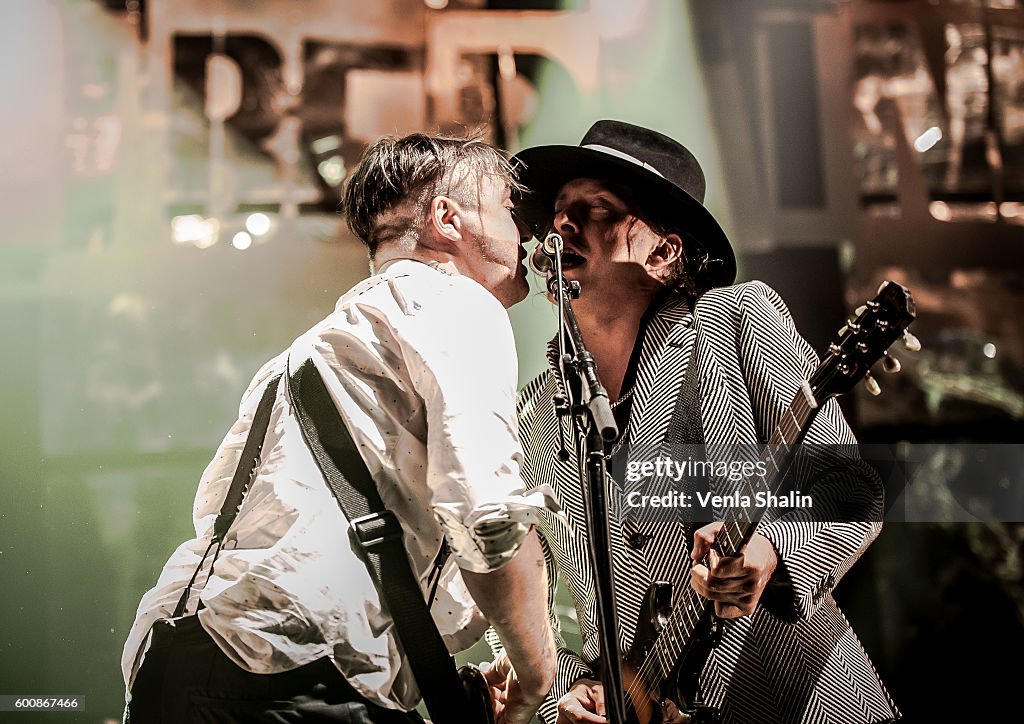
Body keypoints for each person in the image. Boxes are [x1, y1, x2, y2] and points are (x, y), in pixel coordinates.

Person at [121, 132, 559, 724]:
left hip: (186, 657)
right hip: (291, 671)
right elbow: (486, 512)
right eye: (509, 208)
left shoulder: (311, 353)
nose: (528, 231)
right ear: (447, 219)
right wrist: (536, 675)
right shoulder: (456, 303)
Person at [498, 120, 901, 723]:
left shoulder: (735, 320)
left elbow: (852, 485)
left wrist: (772, 549)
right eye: (559, 209)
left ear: (663, 254)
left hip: (799, 701)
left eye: (597, 208)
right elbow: (571, 607)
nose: (561, 224)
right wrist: (581, 689)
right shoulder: (538, 411)